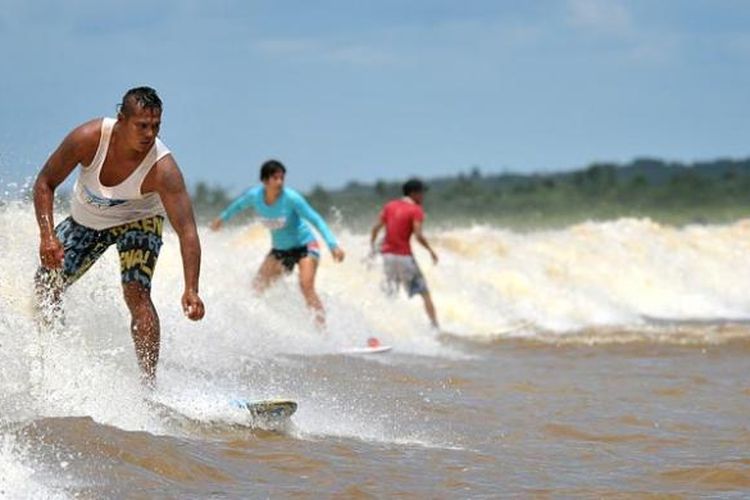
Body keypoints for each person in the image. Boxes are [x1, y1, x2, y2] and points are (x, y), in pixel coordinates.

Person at [33, 86, 205, 387]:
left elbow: (187, 231)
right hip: (86, 222)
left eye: (156, 126)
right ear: (121, 119)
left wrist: (192, 288)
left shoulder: (163, 169)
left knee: (136, 292)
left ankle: (148, 387)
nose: (149, 134)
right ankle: (53, 355)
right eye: (142, 125)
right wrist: (47, 236)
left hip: (139, 221)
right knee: (46, 283)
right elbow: (45, 183)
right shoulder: (88, 139)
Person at [210, 160, 345, 327]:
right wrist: (221, 220)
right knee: (256, 288)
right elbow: (237, 207)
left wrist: (333, 245)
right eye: (275, 178)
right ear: (265, 181)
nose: (280, 182)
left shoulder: (291, 198)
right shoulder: (255, 196)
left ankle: (323, 333)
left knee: (305, 286)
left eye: (282, 178)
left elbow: (315, 219)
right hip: (280, 251)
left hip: (306, 247)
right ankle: (250, 327)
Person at [370, 178, 439, 328]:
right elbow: (418, 235)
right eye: (421, 193)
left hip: (387, 256)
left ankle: (384, 327)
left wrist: (372, 249)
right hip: (404, 257)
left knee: (390, 293)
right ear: (414, 193)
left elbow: (375, 229)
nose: (423, 196)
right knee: (424, 292)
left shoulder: (389, 206)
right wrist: (431, 251)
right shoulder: (416, 210)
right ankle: (435, 327)